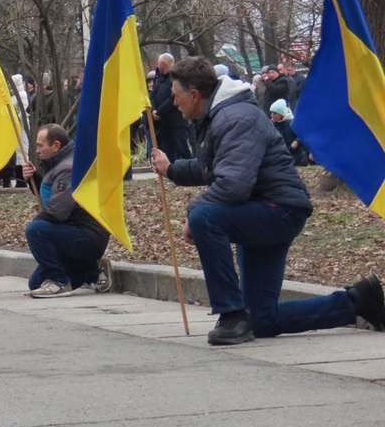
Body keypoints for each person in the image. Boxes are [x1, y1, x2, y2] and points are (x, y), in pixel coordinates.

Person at [151, 56, 384, 344]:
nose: (173, 102)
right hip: (263, 209)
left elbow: (233, 185)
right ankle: (357, 302)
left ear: (195, 95)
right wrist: (171, 169)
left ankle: (231, 315)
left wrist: (193, 214)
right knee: (261, 320)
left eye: (176, 96)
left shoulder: (235, 119)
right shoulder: (221, 116)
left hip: (278, 209)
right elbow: (213, 168)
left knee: (204, 219)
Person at [21, 124, 113, 297]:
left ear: (56, 146)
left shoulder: (68, 168)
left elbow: (57, 211)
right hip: (71, 230)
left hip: (87, 236)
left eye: (40, 145)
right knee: (35, 283)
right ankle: (94, 269)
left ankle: (59, 282)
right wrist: (34, 179)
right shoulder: (58, 164)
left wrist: (35, 226)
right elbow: (52, 195)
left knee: (35, 230)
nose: (37, 150)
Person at [150, 53, 190, 162]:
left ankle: (189, 170)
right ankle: (171, 170)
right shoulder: (158, 78)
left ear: (163, 63)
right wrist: (153, 110)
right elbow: (152, 95)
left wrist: (159, 112)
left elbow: (172, 99)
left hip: (177, 122)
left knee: (183, 150)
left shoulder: (175, 78)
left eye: (158, 63)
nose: (157, 65)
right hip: (163, 124)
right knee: (167, 152)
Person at [268, 99, 309, 168]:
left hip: (297, 154)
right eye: (271, 113)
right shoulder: (271, 124)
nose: (272, 115)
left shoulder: (292, 123)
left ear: (281, 114)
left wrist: (297, 141)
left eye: (275, 113)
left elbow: (303, 134)